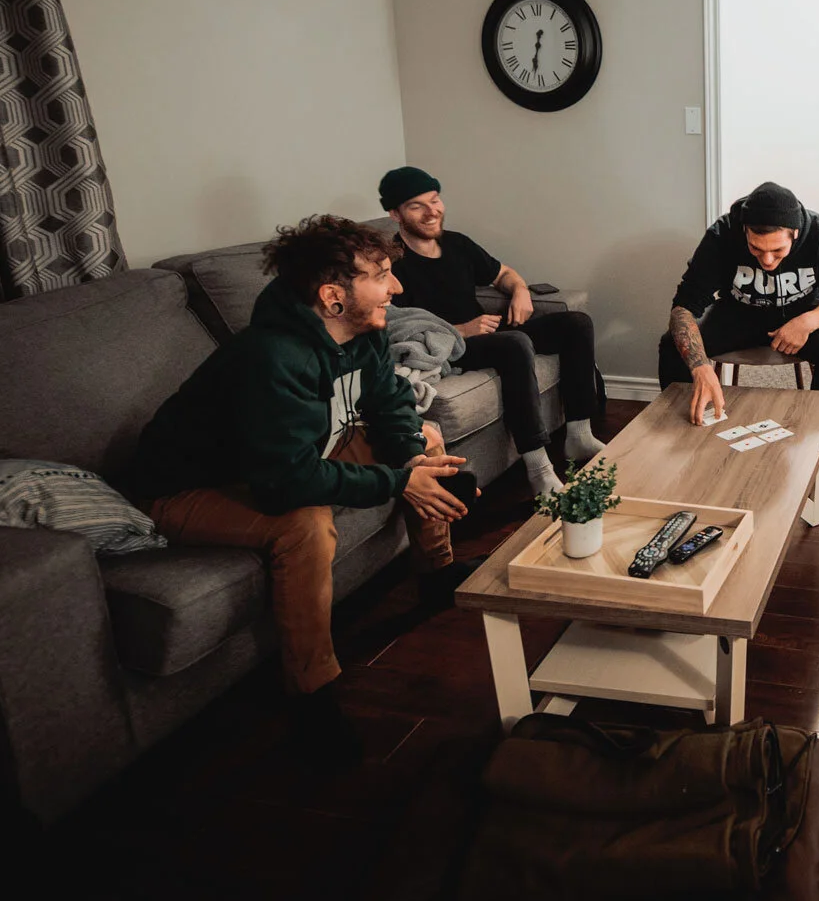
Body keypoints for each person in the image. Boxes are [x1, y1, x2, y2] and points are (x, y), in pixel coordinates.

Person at [127, 216, 474, 767]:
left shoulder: (365, 332)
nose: (396, 287)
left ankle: (435, 575)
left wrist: (409, 457)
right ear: (333, 297)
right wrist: (397, 480)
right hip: (185, 490)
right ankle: (312, 694)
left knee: (424, 440)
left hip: (292, 454)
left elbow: (389, 406)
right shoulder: (272, 356)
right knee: (305, 524)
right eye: (380, 276)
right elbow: (286, 482)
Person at [378, 166, 604, 499]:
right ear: (395, 214)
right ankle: (539, 469)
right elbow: (400, 326)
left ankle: (579, 435)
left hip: (486, 333)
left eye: (435, 200)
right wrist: (461, 331)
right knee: (515, 343)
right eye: (416, 206)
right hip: (451, 347)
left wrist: (520, 291)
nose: (431, 212)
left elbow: (503, 274)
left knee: (576, 323)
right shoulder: (392, 263)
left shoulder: (457, 243)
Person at [658, 181, 819, 427]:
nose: (767, 260)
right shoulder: (721, 236)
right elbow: (683, 308)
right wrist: (700, 367)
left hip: (801, 311)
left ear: (795, 233)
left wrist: (806, 322)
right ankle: (683, 435)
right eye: (756, 248)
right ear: (745, 231)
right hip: (737, 313)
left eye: (777, 250)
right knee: (673, 344)